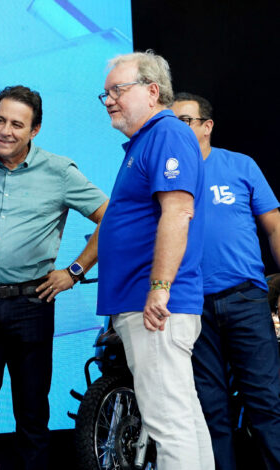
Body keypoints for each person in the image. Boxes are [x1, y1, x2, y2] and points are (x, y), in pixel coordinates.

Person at [0, 85, 108, 469]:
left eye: (17, 124)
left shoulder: (59, 171)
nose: (5, 131)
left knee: (32, 413)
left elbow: (112, 218)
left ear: (34, 130)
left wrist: (75, 271)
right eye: (0, 120)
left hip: (32, 304)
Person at [97, 51, 214, 469]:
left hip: (154, 306)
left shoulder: (166, 133)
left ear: (152, 91)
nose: (109, 100)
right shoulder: (149, 140)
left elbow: (178, 212)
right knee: (183, 420)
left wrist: (159, 287)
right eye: (105, 93)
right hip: (149, 302)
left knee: (168, 425)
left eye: (117, 90)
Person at [172, 92, 280, 470]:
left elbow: (274, 227)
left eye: (185, 121)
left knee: (267, 403)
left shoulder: (240, 165)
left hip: (245, 299)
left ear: (207, 126)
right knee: (211, 409)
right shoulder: (166, 175)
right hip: (191, 305)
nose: (177, 130)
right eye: (171, 123)